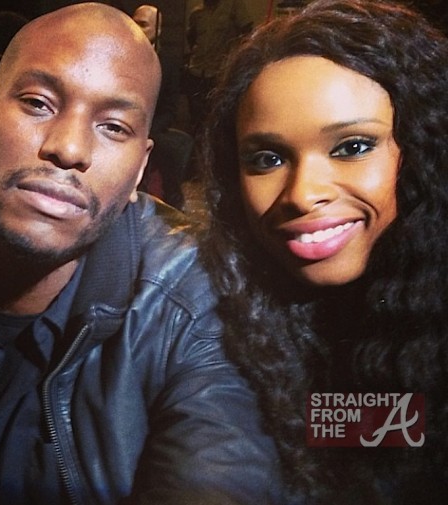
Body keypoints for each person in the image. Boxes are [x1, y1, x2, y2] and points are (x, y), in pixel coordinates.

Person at [0, 3, 279, 505]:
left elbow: (221, 457)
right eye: (38, 103)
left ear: (140, 170)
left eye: (113, 127)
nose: (69, 149)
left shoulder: (194, 303)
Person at [200, 0, 448, 503]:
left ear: (426, 149)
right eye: (267, 158)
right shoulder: (213, 309)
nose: (302, 193)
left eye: (352, 147)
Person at [132, 4, 192, 209]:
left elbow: (170, 108)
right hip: (123, 126)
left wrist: (148, 131)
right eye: (134, 22)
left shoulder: (168, 63)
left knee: (171, 153)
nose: (136, 28)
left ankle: (172, 203)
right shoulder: (121, 59)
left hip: (152, 129)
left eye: (143, 24)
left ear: (157, 30)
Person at [185, 0, 253, 133]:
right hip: (197, 70)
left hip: (220, 72)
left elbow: (247, 30)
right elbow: (191, 37)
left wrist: (235, 55)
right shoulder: (197, 13)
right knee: (196, 117)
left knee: (217, 116)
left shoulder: (233, 6)